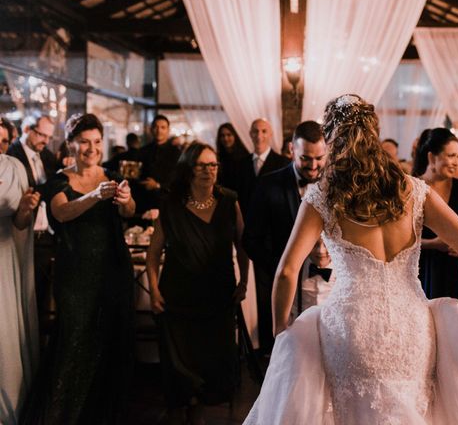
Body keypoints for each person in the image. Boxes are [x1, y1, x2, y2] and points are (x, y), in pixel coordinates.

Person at [244, 94, 458, 424]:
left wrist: (281, 329)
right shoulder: (414, 190)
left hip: (350, 329)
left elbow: (287, 272)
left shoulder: (323, 195)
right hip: (412, 327)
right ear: (374, 134)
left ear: (332, 141)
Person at [22, 113, 135, 424]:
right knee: (71, 342)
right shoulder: (58, 180)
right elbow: (62, 212)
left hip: (112, 270)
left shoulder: (112, 175)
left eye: (97, 142)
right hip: (75, 275)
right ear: (71, 144)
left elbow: (130, 210)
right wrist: (95, 195)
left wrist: (125, 200)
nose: (91, 148)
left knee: (107, 343)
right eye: (84, 142)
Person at [146, 141, 249, 424]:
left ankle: (198, 411)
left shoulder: (229, 200)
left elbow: (242, 245)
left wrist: (244, 281)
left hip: (217, 295)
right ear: (188, 169)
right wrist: (154, 289)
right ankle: (185, 410)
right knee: (180, 364)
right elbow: (153, 252)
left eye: (213, 164)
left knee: (213, 361)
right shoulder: (170, 204)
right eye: (201, 165)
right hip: (178, 296)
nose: (208, 170)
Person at [242, 120, 328, 354]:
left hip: (330, 285)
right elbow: (251, 239)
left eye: (319, 158)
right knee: (289, 351)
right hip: (285, 290)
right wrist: (281, 267)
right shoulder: (268, 185)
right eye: (305, 159)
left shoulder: (336, 185)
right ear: (292, 150)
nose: (313, 166)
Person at [0, 120, 40, 425]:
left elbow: (20, 224)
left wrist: (26, 208)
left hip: (4, 258)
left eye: (3, 140)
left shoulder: (14, 167)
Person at [7, 113, 57, 324]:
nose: (45, 141)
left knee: (44, 297)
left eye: (49, 137)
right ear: (27, 129)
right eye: (41, 135)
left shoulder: (47, 156)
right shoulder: (12, 155)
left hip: (47, 235)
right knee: (24, 297)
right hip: (21, 233)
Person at [417, 128, 458, 299]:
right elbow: (399, 239)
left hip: (454, 269)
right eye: (451, 156)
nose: (456, 162)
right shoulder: (413, 187)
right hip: (421, 267)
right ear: (432, 157)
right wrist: (432, 243)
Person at [236, 118, 289, 216]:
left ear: (271, 134)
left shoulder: (284, 163)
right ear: (250, 134)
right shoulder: (241, 164)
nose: (259, 136)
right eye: (255, 131)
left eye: (264, 131)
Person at [137, 115, 181, 212]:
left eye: (163, 127)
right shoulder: (142, 151)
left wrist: (157, 185)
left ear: (168, 130)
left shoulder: (176, 153)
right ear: (151, 129)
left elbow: (178, 179)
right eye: (156, 127)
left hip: (167, 202)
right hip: (144, 201)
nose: (159, 130)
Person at [215, 123, 249, 191]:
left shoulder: (245, 156)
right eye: (222, 135)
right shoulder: (217, 157)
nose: (225, 138)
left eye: (229, 135)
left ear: (235, 136)